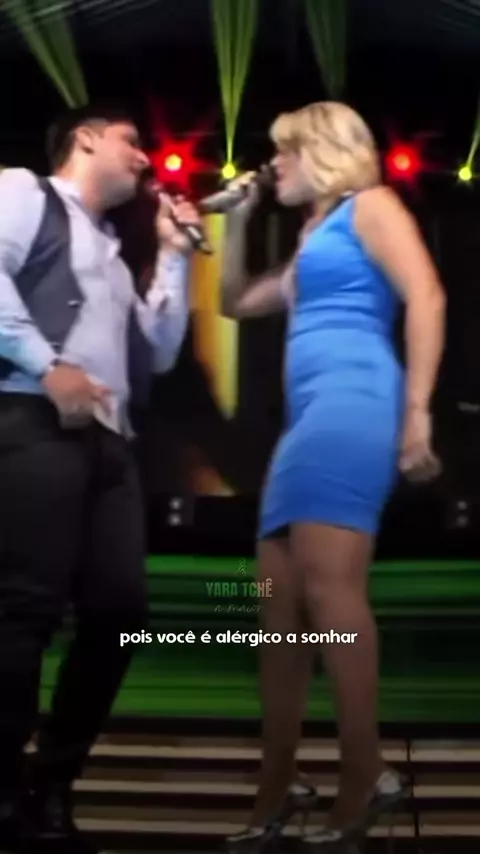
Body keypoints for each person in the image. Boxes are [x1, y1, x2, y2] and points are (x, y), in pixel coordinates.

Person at [220, 101, 445, 852]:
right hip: (305, 425)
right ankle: (276, 786)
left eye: (285, 153)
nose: (273, 165)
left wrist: (418, 412)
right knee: (275, 606)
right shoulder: (311, 239)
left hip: (355, 406)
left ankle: (364, 774)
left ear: (322, 151)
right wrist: (239, 221)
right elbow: (234, 301)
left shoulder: (369, 206)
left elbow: (427, 294)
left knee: (331, 592)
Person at [0, 105, 201, 854]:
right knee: (23, 609)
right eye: (132, 142)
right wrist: (47, 365)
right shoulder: (23, 191)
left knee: (120, 610)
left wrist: (174, 256)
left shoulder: (113, 252)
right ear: (85, 139)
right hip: (29, 416)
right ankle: (4, 796)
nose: (147, 159)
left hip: (109, 442)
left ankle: (50, 783)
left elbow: (159, 352)